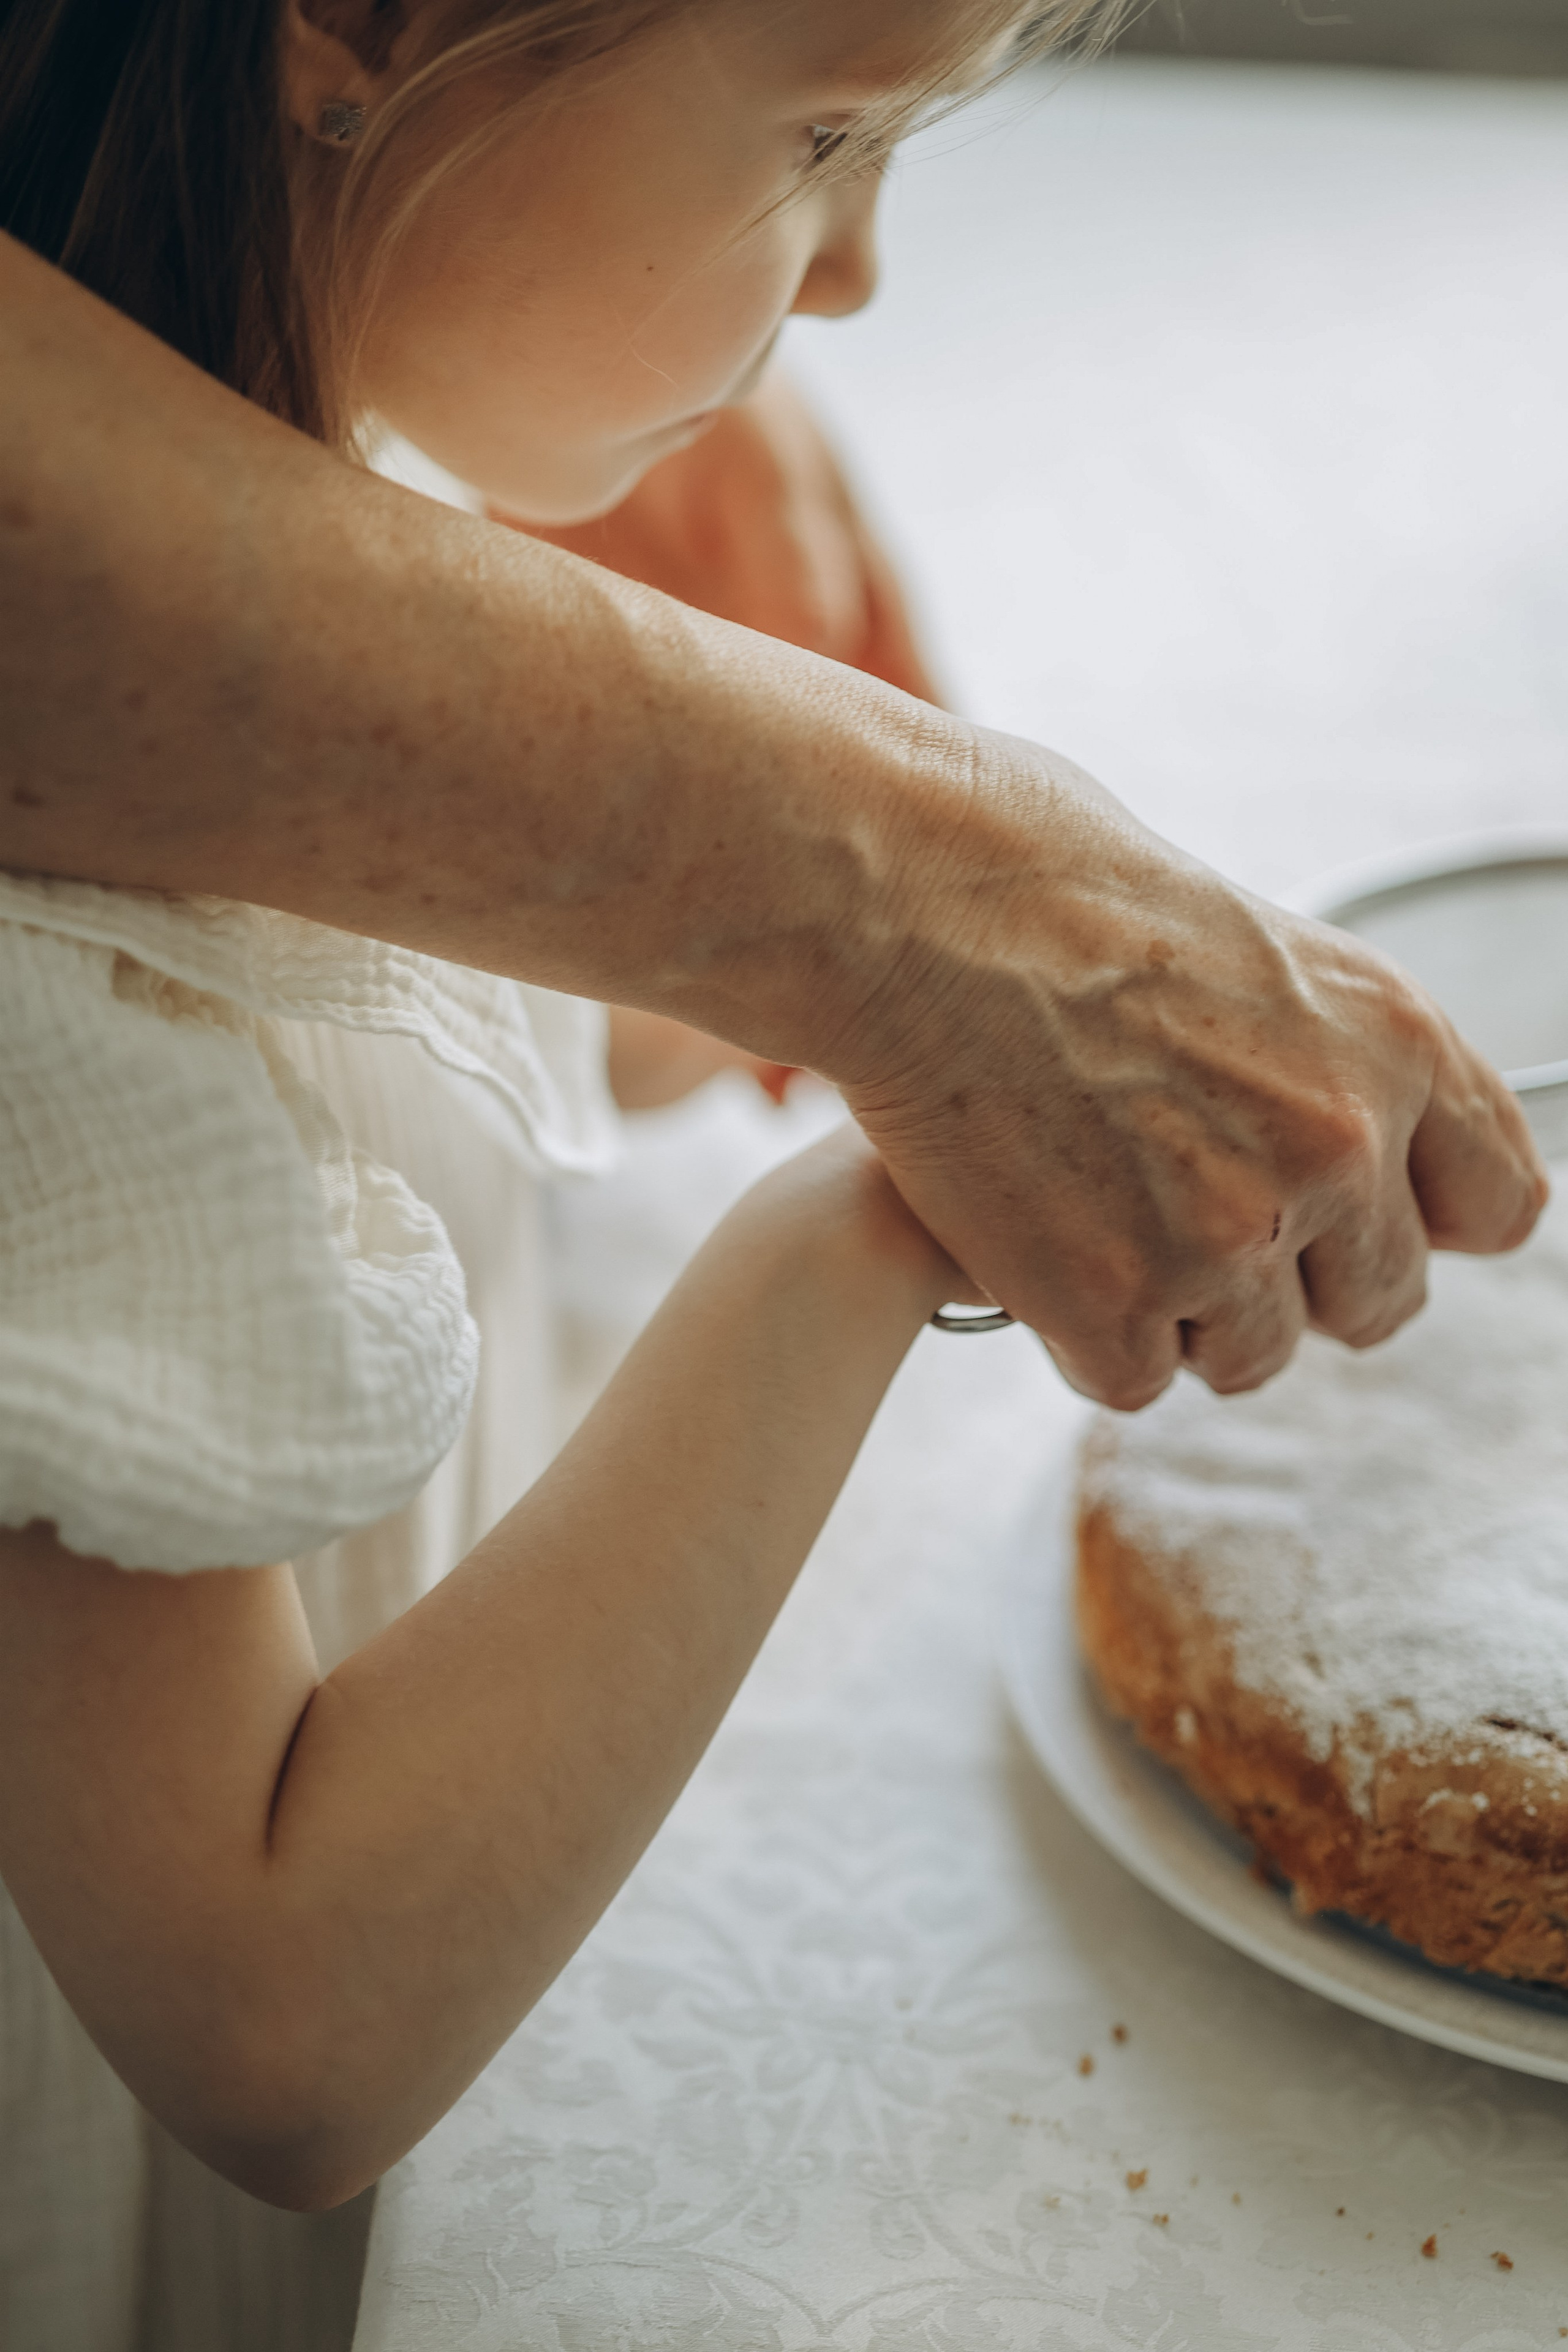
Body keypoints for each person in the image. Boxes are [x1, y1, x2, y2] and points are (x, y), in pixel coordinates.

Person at [0, 0, 1547, 2345]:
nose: (852, 286)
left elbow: (422, 1066)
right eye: (825, 133)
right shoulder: (55, 963)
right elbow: (279, 2024)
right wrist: (885, 1203)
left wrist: (915, 975)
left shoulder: (338, 498)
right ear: (352, 32)